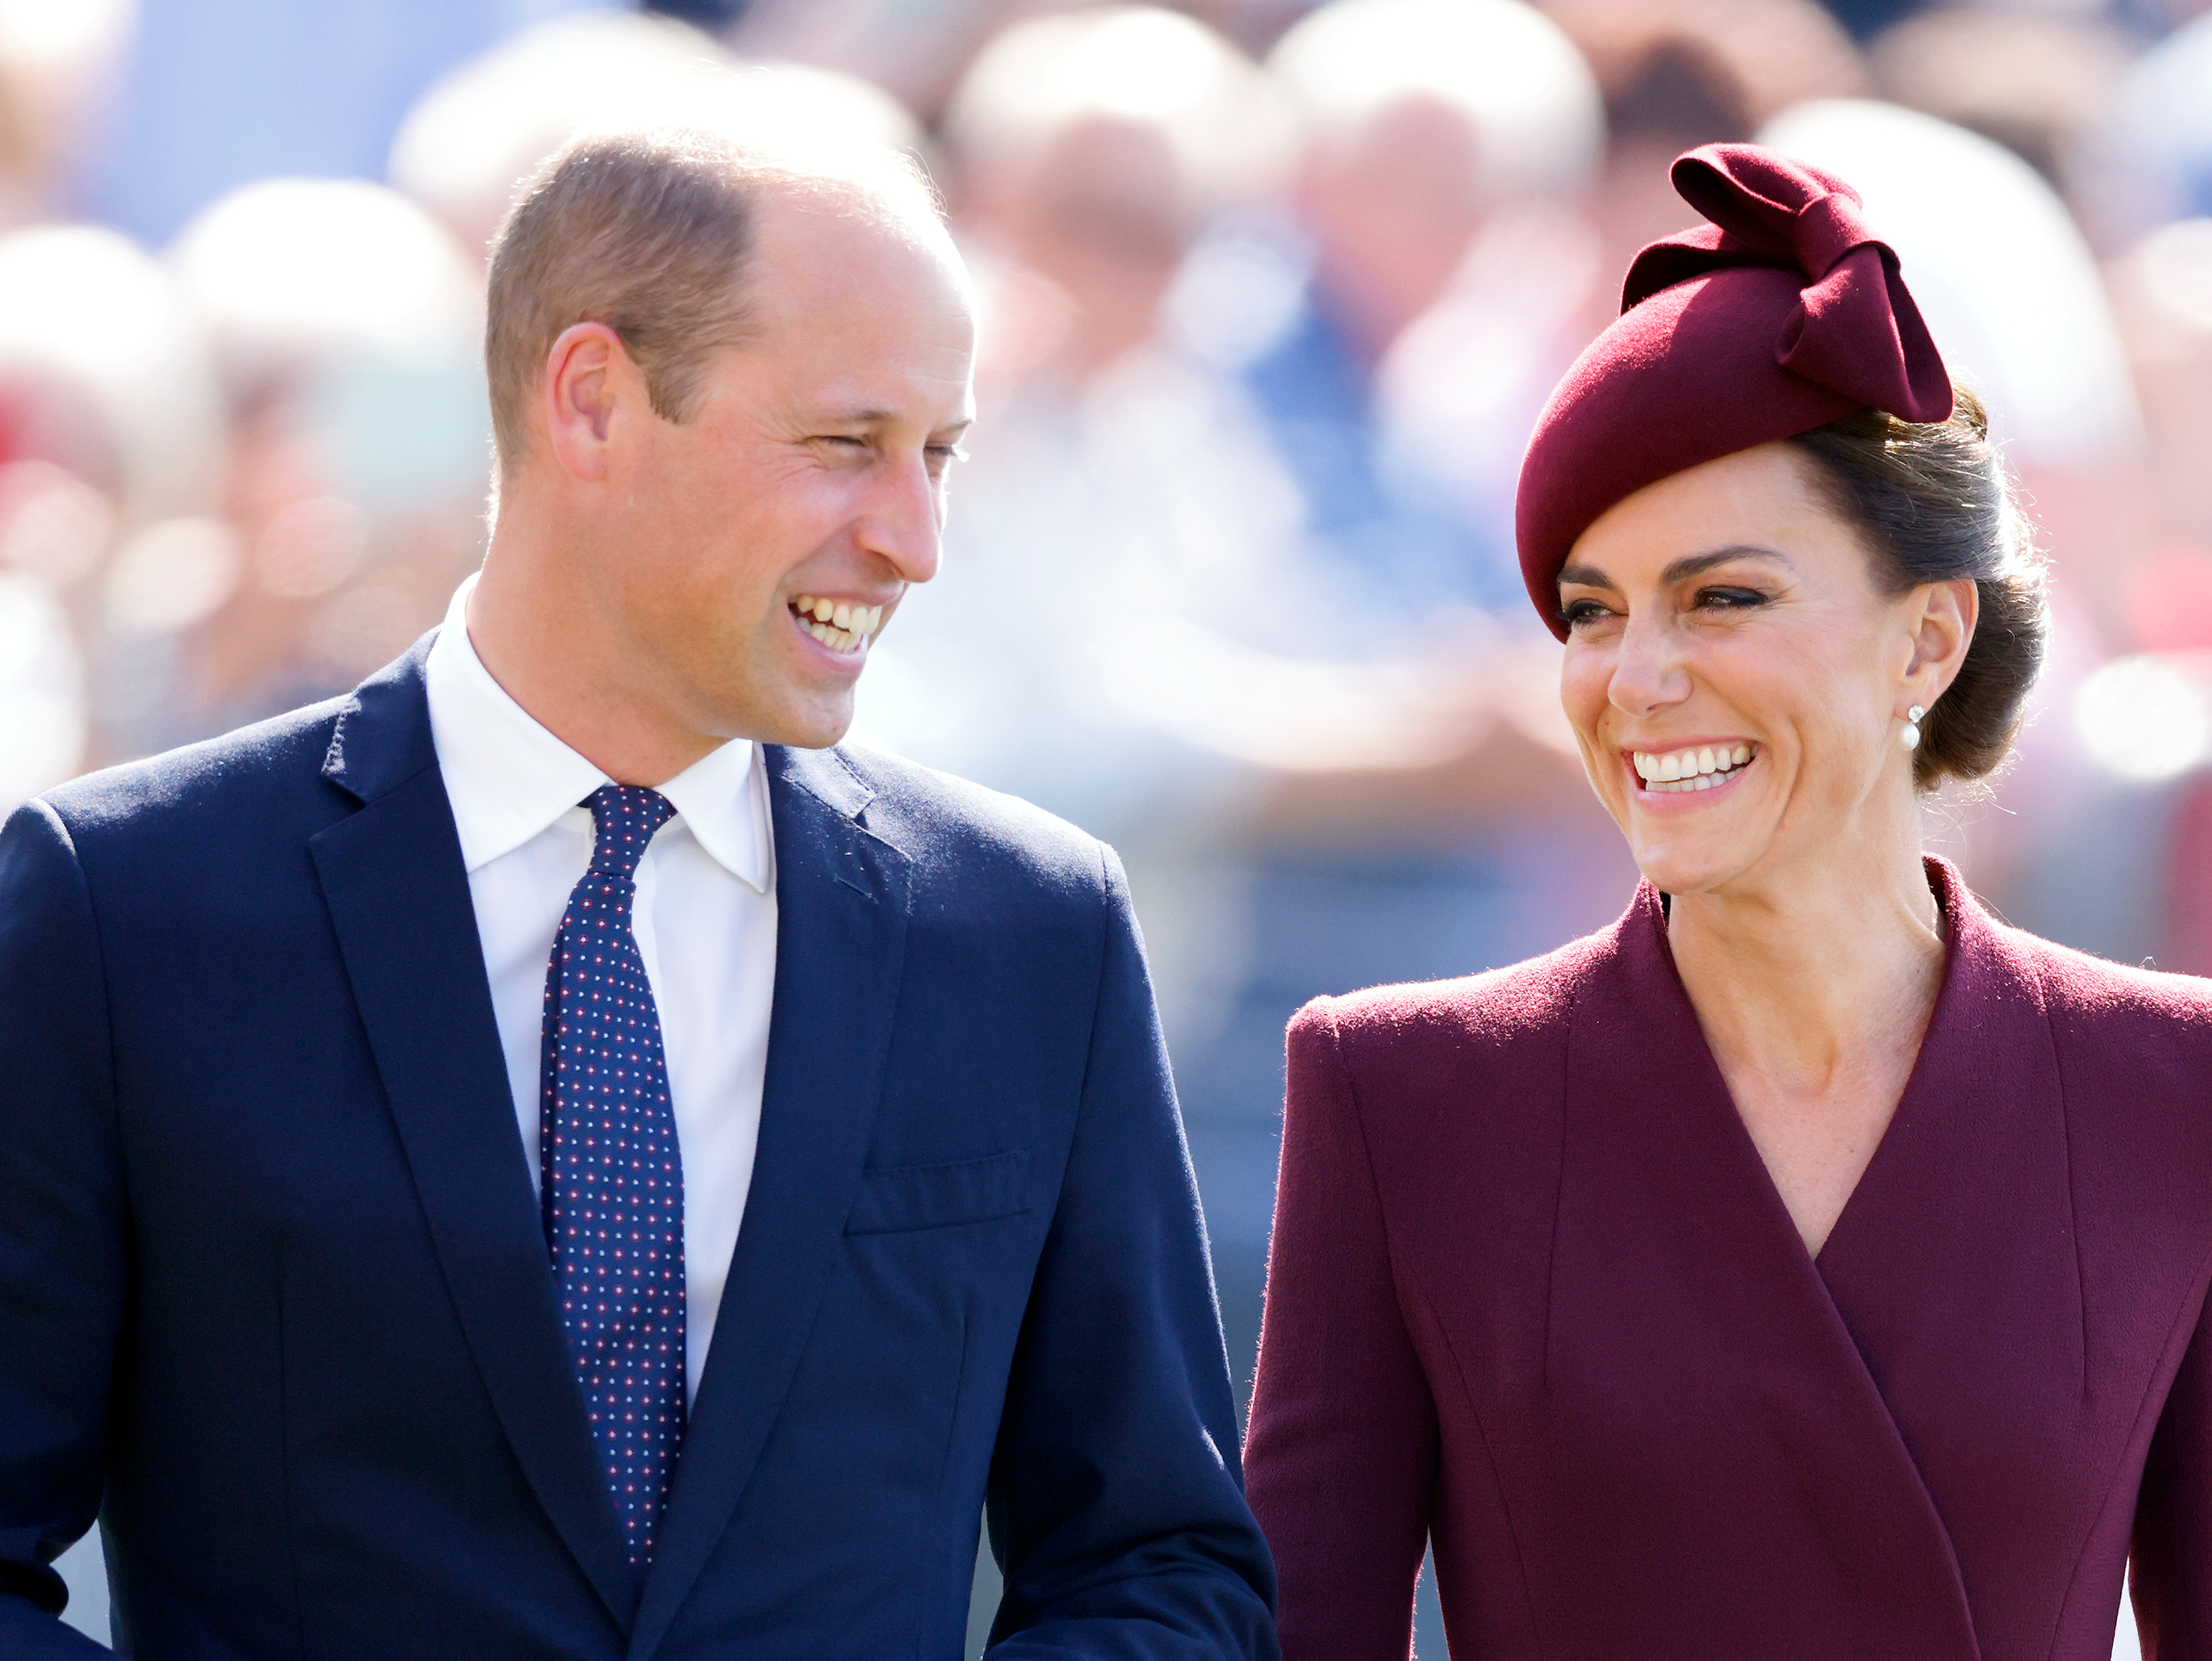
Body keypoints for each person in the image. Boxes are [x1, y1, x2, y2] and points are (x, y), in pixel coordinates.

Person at [0, 127, 1277, 1659]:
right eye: (843, 442)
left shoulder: (1026, 932)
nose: (914, 541)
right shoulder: (124, 907)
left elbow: (1163, 1570)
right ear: (592, 399)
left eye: (936, 453)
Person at [1241, 143, 2212, 1658]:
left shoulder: (2189, 1082)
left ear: (1928, 641)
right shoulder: (1408, 1091)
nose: (1637, 680)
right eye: (1591, 611)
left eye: (1725, 596)